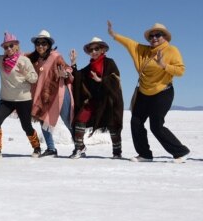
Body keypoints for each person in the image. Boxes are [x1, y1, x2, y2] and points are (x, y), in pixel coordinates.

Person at [108, 21, 190, 163]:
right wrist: (114, 35)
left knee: (156, 126)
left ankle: (181, 152)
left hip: (163, 92)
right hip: (143, 92)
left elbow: (181, 70)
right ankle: (145, 154)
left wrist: (164, 65)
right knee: (136, 122)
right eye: (151, 36)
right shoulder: (143, 50)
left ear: (164, 37)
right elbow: (128, 43)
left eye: (158, 35)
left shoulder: (171, 51)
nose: (154, 38)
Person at [0, 28, 40, 159]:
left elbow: (34, 78)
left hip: (23, 99)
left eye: (11, 46)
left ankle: (37, 148)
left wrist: (25, 73)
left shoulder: (24, 61)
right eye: (6, 47)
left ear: (17, 46)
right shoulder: (1, 61)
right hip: (6, 99)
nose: (9, 48)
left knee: (26, 126)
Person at [67, 37, 125, 159]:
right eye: (91, 49)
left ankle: (117, 152)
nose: (93, 51)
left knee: (112, 124)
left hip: (110, 100)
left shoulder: (110, 63)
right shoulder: (90, 67)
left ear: (102, 50)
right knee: (80, 119)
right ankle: (79, 148)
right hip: (94, 101)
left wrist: (101, 80)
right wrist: (73, 63)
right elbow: (78, 77)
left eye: (96, 49)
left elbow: (115, 80)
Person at [26, 30, 75, 158]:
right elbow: (18, 58)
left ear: (48, 45)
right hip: (44, 95)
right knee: (43, 120)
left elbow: (67, 69)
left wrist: (64, 74)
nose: (40, 46)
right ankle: (51, 148)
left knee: (68, 120)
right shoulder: (33, 58)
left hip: (59, 93)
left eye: (43, 43)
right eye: (38, 43)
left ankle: (79, 147)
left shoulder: (55, 56)